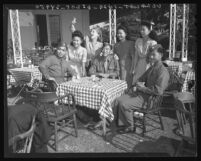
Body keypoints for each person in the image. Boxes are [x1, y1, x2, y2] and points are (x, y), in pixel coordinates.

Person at [111, 44, 170, 133]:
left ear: (161, 55)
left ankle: (130, 126)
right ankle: (118, 122)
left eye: (154, 55)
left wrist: (142, 88)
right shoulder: (152, 67)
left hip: (150, 99)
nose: (150, 56)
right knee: (118, 100)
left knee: (124, 104)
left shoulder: (163, 71)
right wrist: (136, 85)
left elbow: (159, 91)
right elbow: (141, 78)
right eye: (150, 54)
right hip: (142, 94)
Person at [131, 21, 158, 85]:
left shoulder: (153, 42)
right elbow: (136, 56)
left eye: (143, 29)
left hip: (148, 65)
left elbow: (154, 58)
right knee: (136, 83)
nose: (141, 31)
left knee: (146, 84)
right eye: (140, 30)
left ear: (149, 30)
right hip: (139, 65)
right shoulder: (138, 41)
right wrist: (134, 68)